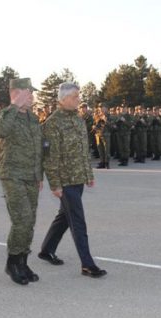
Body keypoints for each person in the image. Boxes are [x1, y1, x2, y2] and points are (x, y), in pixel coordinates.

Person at [39, 82, 107, 278]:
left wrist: (89, 174)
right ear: (64, 99)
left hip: (78, 177)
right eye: (75, 97)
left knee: (64, 217)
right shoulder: (52, 123)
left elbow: (83, 150)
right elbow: (50, 158)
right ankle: (87, 264)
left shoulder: (77, 120)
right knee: (77, 220)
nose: (79, 99)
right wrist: (55, 184)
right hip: (65, 180)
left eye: (78, 96)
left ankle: (46, 250)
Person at [0, 78, 43, 285]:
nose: (33, 96)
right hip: (12, 175)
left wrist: (39, 175)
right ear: (18, 93)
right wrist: (13, 106)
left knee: (29, 222)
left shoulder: (33, 118)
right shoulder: (5, 114)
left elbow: (38, 148)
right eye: (29, 92)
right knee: (21, 219)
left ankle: (22, 261)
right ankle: (12, 262)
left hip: (31, 176)